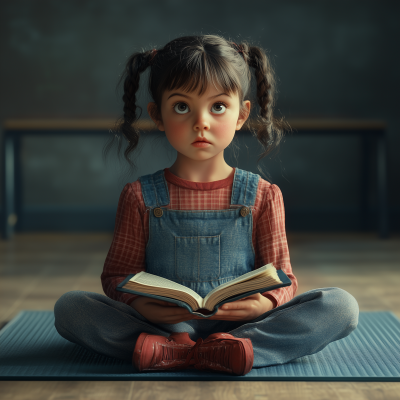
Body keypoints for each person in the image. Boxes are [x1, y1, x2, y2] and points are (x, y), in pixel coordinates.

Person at [54, 35, 359, 376]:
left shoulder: (263, 195)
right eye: (182, 107)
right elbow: (116, 276)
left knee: (339, 306)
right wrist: (142, 305)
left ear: (242, 114)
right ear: (158, 115)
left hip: (243, 327)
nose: (201, 122)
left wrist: (264, 302)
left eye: (218, 106)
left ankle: (226, 349)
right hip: (165, 328)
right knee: (72, 309)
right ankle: (191, 351)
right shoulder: (138, 195)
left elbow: (284, 277)